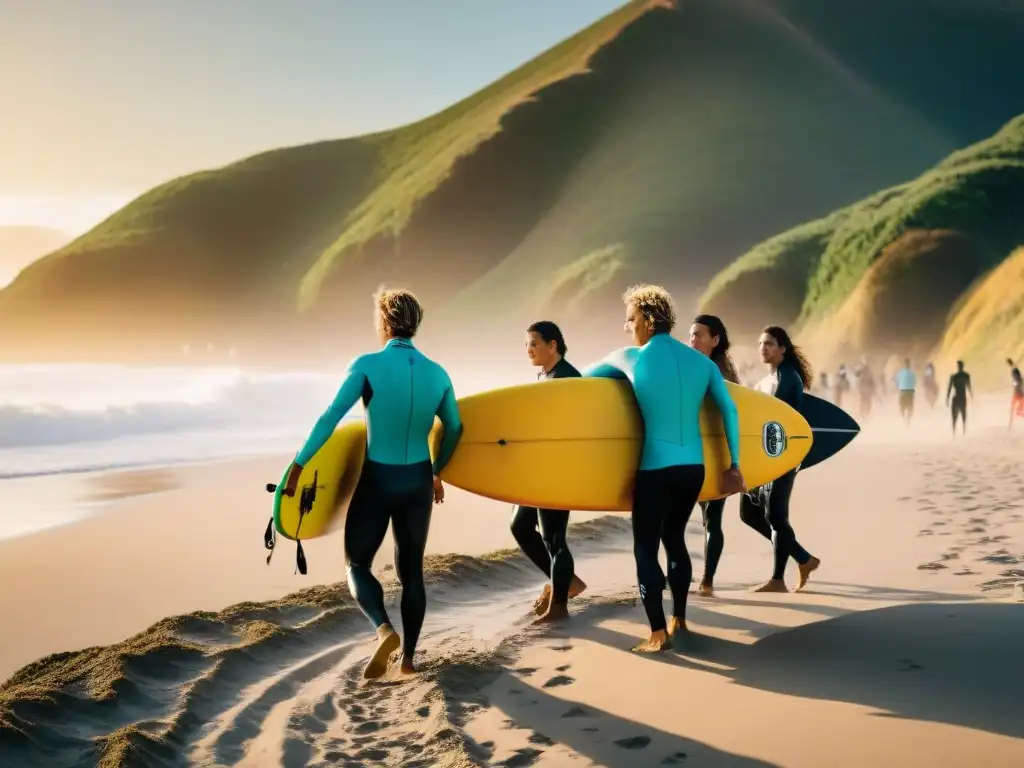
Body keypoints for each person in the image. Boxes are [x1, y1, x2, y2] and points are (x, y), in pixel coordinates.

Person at [282, 288, 463, 680]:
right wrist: (437, 470)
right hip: (417, 480)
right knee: (411, 571)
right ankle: (410, 660)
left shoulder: (366, 365)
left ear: (384, 322)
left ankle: (384, 630)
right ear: (415, 324)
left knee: (357, 563)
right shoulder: (438, 373)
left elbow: (331, 417)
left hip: (378, 478)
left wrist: (298, 466)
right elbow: (455, 426)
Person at [584, 285, 745, 653]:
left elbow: (580, 380)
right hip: (693, 469)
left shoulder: (629, 358)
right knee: (674, 538)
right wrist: (734, 464)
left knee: (645, 547)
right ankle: (680, 617)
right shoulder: (703, 363)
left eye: (630, 319)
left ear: (647, 319)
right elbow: (730, 411)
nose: (627, 327)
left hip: (655, 469)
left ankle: (657, 632)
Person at [511, 321, 588, 623]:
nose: (528, 350)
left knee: (554, 538)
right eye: (527, 344)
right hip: (540, 467)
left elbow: (576, 429)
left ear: (552, 345)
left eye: (534, 343)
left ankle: (559, 606)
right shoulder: (544, 375)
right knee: (520, 526)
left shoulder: (569, 378)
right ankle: (568, 584)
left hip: (559, 469)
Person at [739, 326, 821, 593]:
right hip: (764, 458)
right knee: (749, 513)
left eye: (770, 343)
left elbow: (776, 425)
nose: (763, 347)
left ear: (783, 348)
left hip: (781, 457)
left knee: (776, 517)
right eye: (761, 343)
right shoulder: (767, 380)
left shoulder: (788, 379)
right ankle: (803, 558)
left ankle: (777, 579)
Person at [688, 314, 741, 597]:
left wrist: (735, 462)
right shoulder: (710, 368)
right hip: (702, 452)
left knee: (712, 518)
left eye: (698, 335)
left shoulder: (716, 371)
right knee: (709, 518)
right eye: (691, 335)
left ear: (715, 340)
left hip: (715, 453)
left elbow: (731, 412)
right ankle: (704, 579)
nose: (692, 340)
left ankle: (707, 580)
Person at [946, 360, 973, 437]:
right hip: (962, 397)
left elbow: (949, 388)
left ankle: (954, 433)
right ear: (963, 367)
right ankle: (964, 432)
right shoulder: (966, 376)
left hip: (956, 397)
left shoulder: (954, 377)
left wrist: (947, 398)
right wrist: (972, 396)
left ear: (958, 367)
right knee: (964, 415)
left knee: (954, 417)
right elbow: (969, 387)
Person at [895, 358, 916, 427]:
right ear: (909, 364)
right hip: (910, 391)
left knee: (901, 407)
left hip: (903, 391)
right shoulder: (912, 373)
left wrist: (899, 387)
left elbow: (897, 382)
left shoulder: (900, 372)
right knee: (911, 407)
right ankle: (908, 419)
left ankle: (904, 418)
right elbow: (914, 382)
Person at [1008, 358, 1024, 428]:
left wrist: (1015, 383)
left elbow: (1017, 381)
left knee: (1018, 411)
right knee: (1013, 408)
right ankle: (1010, 424)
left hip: (1020, 394)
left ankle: (1010, 424)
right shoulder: (1017, 374)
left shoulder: (1017, 374)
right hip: (1018, 394)